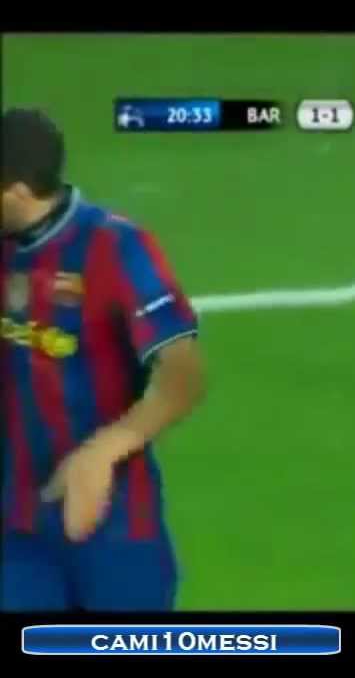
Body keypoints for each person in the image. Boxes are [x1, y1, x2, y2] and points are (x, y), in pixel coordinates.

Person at [1, 107, 206, 611]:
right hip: (14, 525)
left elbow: (183, 373)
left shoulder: (114, 246)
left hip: (112, 524)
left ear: (18, 193)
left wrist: (103, 451)